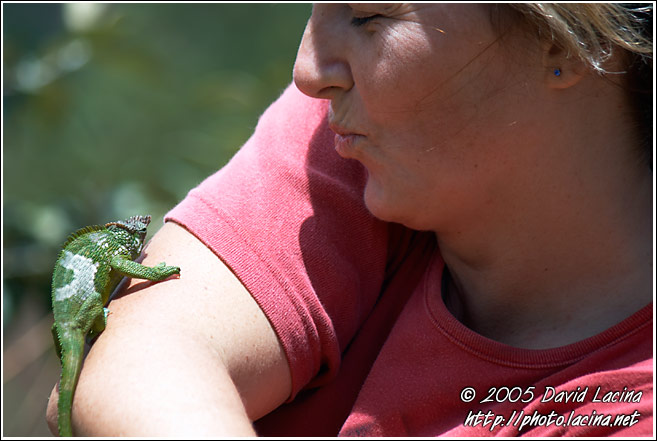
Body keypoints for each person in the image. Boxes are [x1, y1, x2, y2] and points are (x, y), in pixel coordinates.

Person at [47, 3, 653, 436]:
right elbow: (127, 368)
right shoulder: (368, 149)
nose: (308, 72)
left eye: (369, 18)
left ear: (567, 42)